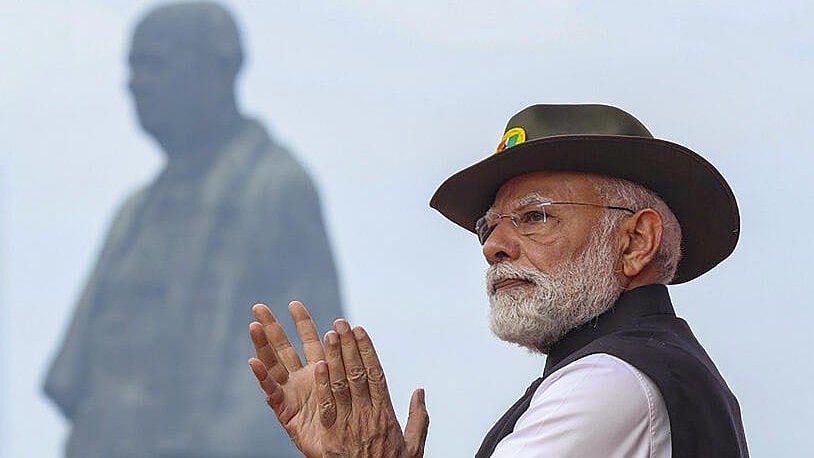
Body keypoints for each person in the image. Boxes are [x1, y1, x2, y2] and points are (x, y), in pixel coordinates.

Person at [248, 104, 749, 457]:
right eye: (490, 226)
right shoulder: (649, 369)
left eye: (534, 217)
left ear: (636, 240)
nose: (493, 246)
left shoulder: (609, 383)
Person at [44, 2, 343, 457]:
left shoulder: (274, 189)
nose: (136, 83)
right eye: (133, 67)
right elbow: (70, 378)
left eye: (154, 64)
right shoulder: (136, 212)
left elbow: (308, 378)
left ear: (217, 70)